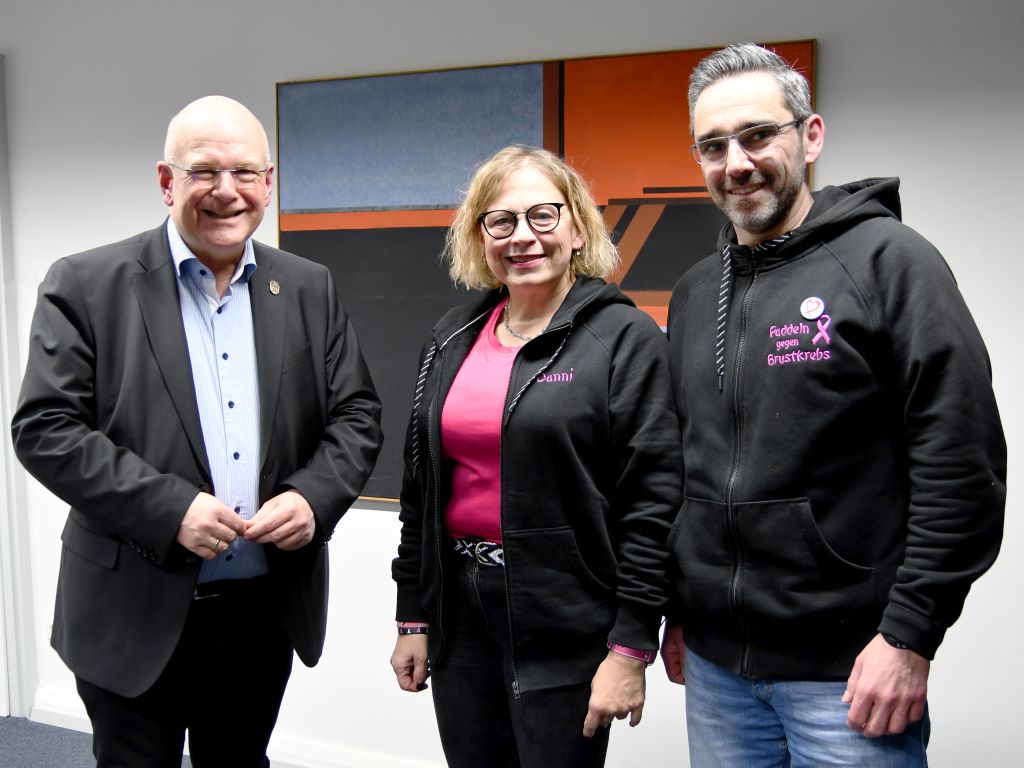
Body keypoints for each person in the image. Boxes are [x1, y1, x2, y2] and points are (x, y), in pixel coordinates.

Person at [11, 95, 383, 767]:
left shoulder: (307, 286)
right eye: (205, 171)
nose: (226, 191)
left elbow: (356, 414)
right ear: (166, 182)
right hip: (131, 606)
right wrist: (170, 509)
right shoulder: (86, 283)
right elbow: (46, 429)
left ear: (268, 183)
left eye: (245, 172)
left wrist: (311, 497)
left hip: (260, 609)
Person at [662, 43, 1006, 767]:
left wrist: (910, 635)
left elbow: (961, 462)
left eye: (759, 136)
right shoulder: (695, 292)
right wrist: (682, 611)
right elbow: (684, 465)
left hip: (850, 672)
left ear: (810, 135)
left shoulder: (891, 262)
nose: (737, 162)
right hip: (719, 672)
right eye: (713, 145)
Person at [389, 145, 683, 767]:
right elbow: (420, 492)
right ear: (480, 238)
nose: (522, 237)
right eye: (500, 221)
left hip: (567, 623)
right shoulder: (451, 338)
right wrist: (412, 618)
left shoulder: (624, 339)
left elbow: (653, 504)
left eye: (543, 217)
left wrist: (632, 646)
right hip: (459, 615)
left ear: (578, 227)